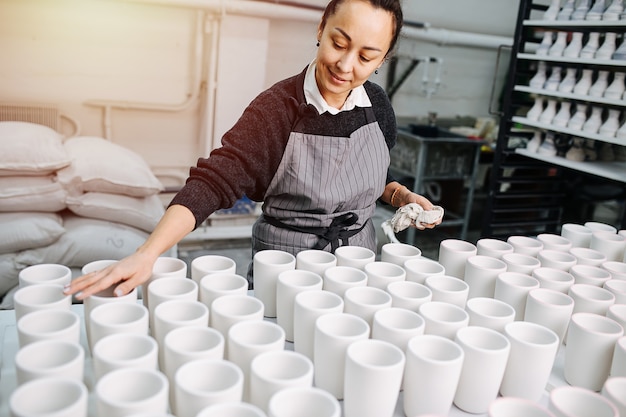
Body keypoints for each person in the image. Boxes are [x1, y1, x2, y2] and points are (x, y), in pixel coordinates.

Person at [65, 0, 441, 300]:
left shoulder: (377, 106)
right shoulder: (277, 109)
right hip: (286, 270)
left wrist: (402, 195)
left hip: (356, 265)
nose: (345, 65)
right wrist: (148, 253)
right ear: (321, 28)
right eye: (338, 43)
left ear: (383, 58)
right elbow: (214, 181)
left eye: (366, 56)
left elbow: (375, 179)